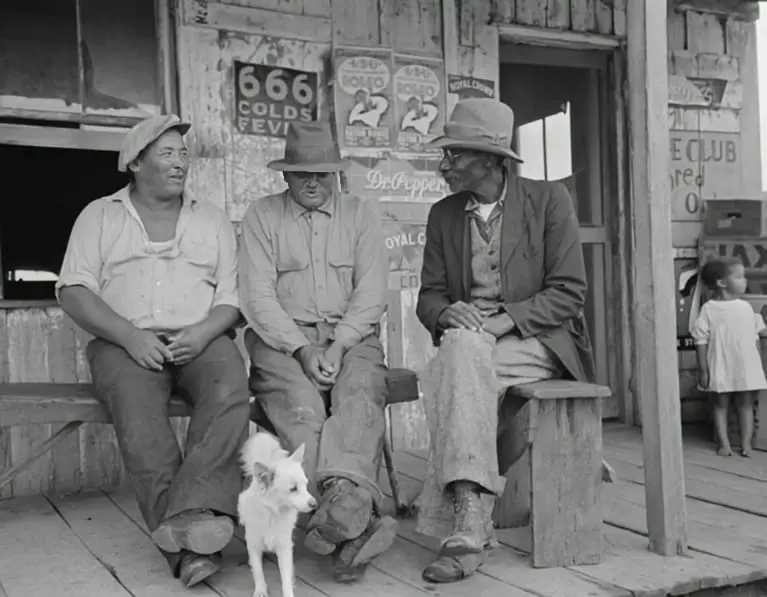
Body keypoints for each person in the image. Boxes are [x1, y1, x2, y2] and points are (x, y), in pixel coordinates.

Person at [57, 114, 249, 587]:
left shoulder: (212, 218)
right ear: (135, 162)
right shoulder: (99, 215)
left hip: (199, 339)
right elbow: (73, 290)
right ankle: (187, 549)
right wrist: (129, 335)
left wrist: (205, 332)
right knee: (139, 413)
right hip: (123, 344)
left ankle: (185, 521)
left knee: (230, 388)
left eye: (183, 153)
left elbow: (232, 296)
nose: (180, 162)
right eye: (167, 153)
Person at [414, 98, 595, 583]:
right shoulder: (444, 215)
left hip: (537, 340)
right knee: (459, 353)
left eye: (455, 154)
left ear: (492, 160)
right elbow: (428, 297)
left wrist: (504, 321)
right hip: (471, 346)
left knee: (451, 365)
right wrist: (446, 310)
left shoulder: (549, 201)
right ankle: (471, 517)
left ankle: (460, 512)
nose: (444, 164)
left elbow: (569, 294)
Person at [238, 120, 398, 583]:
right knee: (304, 411)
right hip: (282, 343)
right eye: (302, 173)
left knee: (358, 396)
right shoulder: (262, 216)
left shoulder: (361, 214)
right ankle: (354, 524)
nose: (313, 182)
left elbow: (371, 293)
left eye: (322, 173)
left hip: (353, 338)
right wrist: (304, 349)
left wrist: (342, 342)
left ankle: (339, 516)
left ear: (337, 174)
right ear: (284, 175)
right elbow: (257, 298)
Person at [691, 257, 767, 457]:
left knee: (746, 405)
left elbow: (754, 338)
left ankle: (746, 445)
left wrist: (757, 365)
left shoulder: (746, 308)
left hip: (744, 365)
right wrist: (703, 369)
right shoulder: (709, 309)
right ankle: (724, 443)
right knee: (720, 404)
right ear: (722, 283)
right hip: (720, 364)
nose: (745, 281)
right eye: (740, 277)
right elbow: (701, 340)